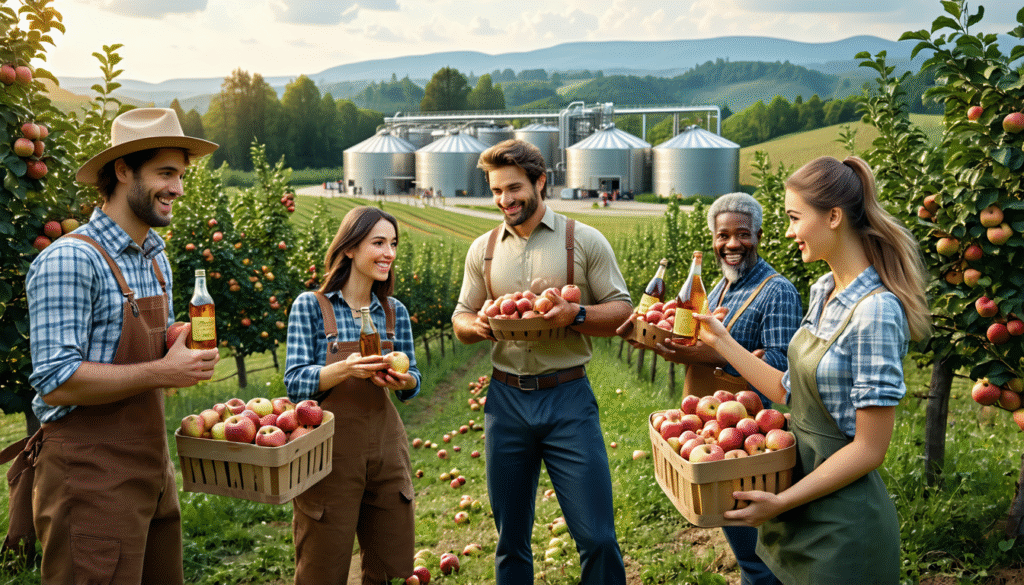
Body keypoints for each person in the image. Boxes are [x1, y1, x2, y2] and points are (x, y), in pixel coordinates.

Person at [695, 156, 930, 584]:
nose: (787, 231)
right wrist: (722, 341)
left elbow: (869, 448)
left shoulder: (875, 310)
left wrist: (782, 502)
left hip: (842, 528)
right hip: (799, 509)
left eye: (794, 218)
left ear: (834, 217)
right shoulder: (823, 291)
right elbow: (788, 389)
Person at [23, 107, 220, 584]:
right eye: (165, 173)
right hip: (88, 480)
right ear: (124, 170)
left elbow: (145, 345)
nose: (177, 187)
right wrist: (162, 372)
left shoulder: (156, 258)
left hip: (153, 472)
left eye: (181, 175)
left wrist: (177, 342)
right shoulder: (71, 260)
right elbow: (55, 381)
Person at [452, 139, 632, 585]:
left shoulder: (584, 241)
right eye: (495, 191)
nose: (504, 200)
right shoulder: (483, 249)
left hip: (568, 398)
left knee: (598, 537)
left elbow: (623, 310)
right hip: (506, 400)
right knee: (510, 540)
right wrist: (478, 326)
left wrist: (577, 314)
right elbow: (461, 316)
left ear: (540, 181)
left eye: (513, 188)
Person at [617, 192, 801, 585]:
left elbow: (781, 369)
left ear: (760, 236)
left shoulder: (777, 290)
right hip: (716, 434)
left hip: (755, 441)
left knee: (761, 554)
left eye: (742, 234)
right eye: (722, 236)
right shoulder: (716, 290)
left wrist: (698, 356)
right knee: (745, 546)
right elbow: (696, 344)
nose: (731, 244)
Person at [284, 206, 421, 585]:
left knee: (391, 566)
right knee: (321, 568)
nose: (388, 253)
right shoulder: (312, 307)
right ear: (349, 248)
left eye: (393, 244)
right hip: (328, 457)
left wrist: (406, 383)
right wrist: (344, 369)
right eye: (378, 243)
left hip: (387, 451)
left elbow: (414, 380)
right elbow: (295, 382)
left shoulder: (395, 312)